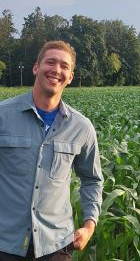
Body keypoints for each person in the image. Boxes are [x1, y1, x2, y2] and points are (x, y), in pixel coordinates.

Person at [0, 41, 104, 260]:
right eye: (50, 62)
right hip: (5, 242)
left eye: (64, 66)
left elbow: (92, 179)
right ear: (36, 67)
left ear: (71, 76)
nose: (56, 70)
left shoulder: (81, 127)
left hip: (56, 245)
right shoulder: (3, 116)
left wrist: (89, 225)